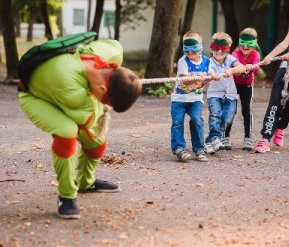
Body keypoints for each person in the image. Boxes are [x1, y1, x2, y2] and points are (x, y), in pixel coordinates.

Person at [19, 39, 142, 219]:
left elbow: (116, 44)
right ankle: (66, 196)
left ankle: (86, 182)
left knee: (96, 142)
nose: (105, 105)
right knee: (67, 132)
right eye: (107, 102)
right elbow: (83, 120)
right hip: (35, 96)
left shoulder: (111, 53)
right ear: (102, 88)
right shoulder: (74, 94)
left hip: (65, 87)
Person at [254, 25, 289, 153]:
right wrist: (269, 56)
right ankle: (265, 138)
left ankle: (280, 126)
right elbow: (284, 44)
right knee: (275, 104)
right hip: (286, 68)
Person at [170, 30, 214, 162]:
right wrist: (196, 77)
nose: (189, 52)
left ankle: (199, 149)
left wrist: (212, 76)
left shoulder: (206, 61)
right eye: (186, 48)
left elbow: (210, 75)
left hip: (196, 100)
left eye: (193, 48)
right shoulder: (183, 61)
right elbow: (184, 80)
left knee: (196, 120)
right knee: (177, 122)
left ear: (200, 46)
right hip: (179, 99)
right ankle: (179, 148)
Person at [205, 31, 246, 154]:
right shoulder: (208, 62)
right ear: (212, 48)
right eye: (216, 49)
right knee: (215, 115)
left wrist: (232, 70)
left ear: (228, 49)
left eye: (223, 49)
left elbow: (242, 68)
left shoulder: (230, 59)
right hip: (214, 95)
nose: (219, 52)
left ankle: (210, 140)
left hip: (230, 95)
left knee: (227, 118)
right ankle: (215, 138)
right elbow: (210, 71)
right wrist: (213, 75)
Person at [222, 28, 262, 151]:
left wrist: (251, 67)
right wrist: (241, 67)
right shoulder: (235, 53)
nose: (245, 46)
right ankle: (225, 137)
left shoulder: (256, 54)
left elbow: (256, 67)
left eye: (249, 43)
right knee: (230, 110)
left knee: (246, 110)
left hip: (247, 86)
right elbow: (233, 63)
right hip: (233, 85)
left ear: (254, 44)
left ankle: (248, 138)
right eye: (243, 42)